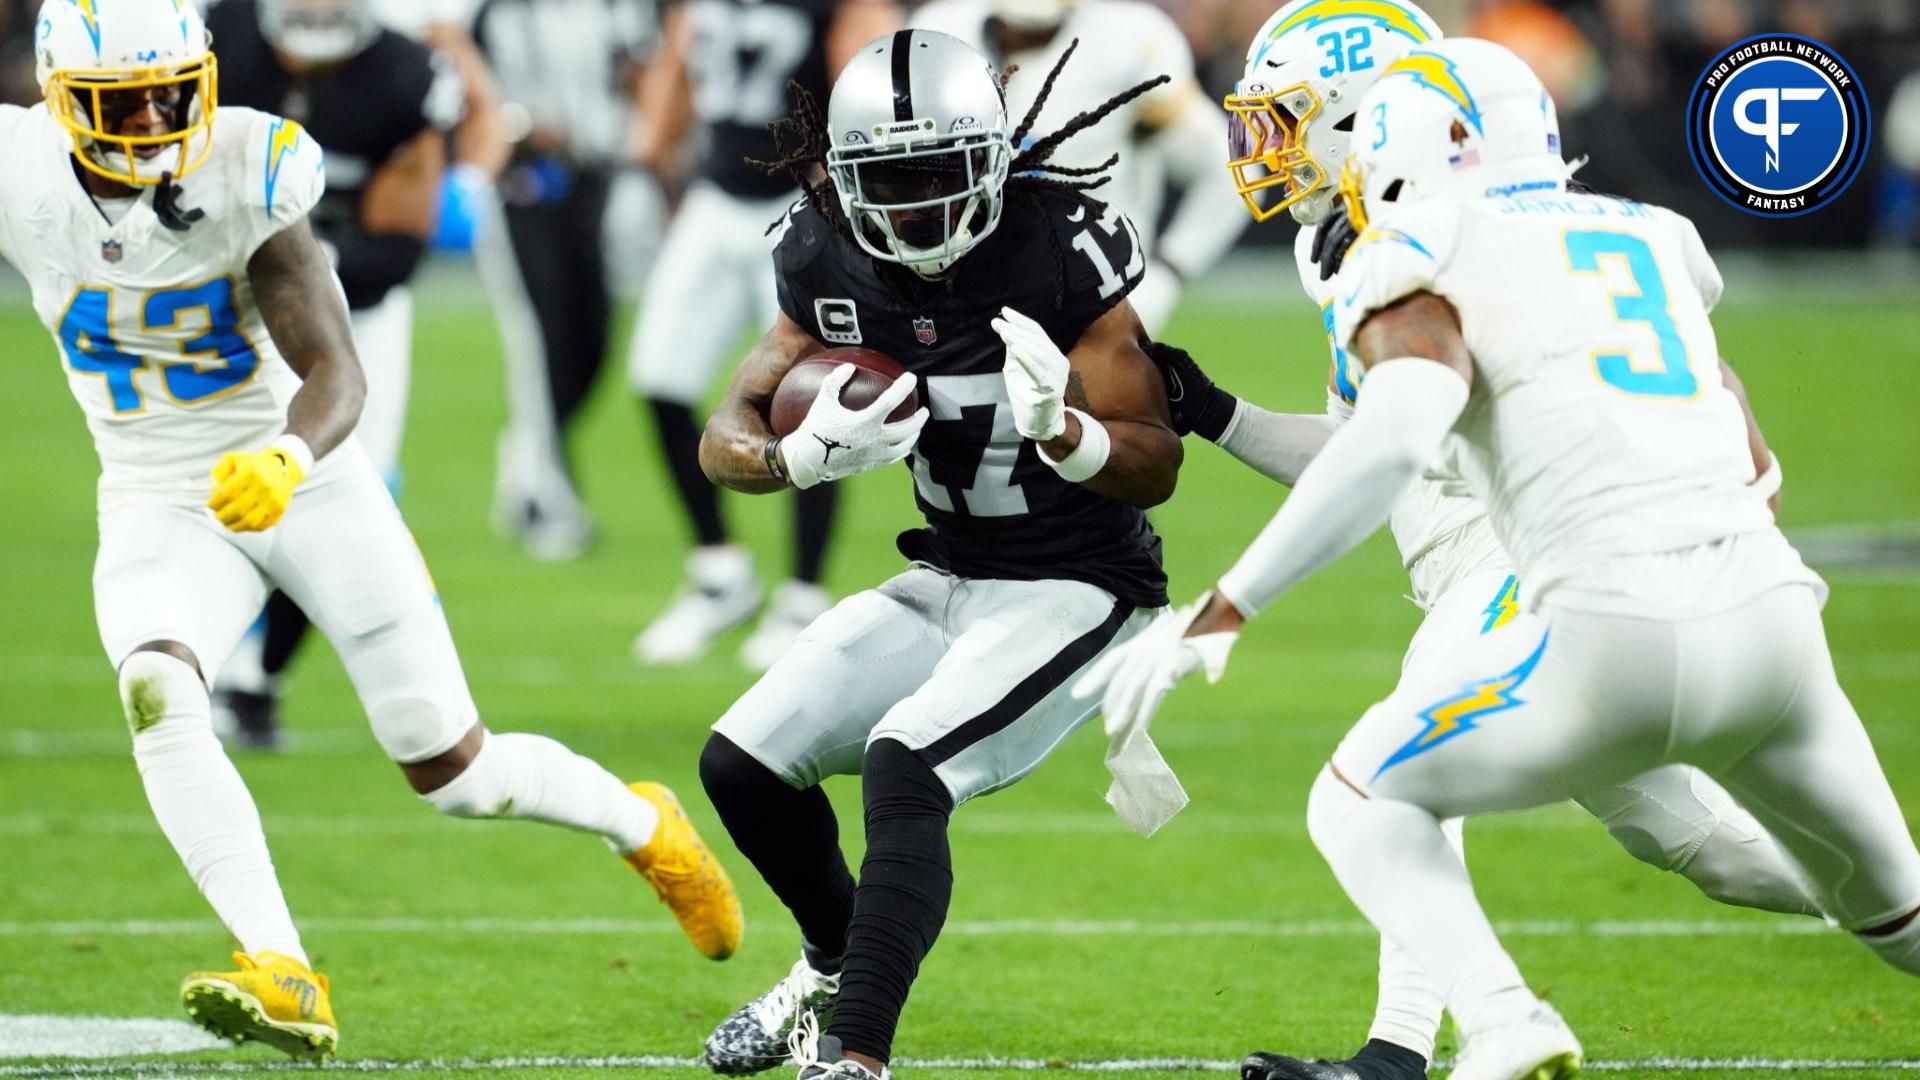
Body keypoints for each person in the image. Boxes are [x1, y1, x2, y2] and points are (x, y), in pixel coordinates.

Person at [1085, 37, 1920, 1080]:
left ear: (1383, 125)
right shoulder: (1650, 232)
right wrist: (1213, 412)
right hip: (1766, 612)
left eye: (1291, 119)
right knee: (1757, 866)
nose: (1268, 150)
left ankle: (1459, 1037)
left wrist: (1228, 606)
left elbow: (1391, 446)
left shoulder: (1419, 244)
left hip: (1567, 590)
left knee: (1370, 790)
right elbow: (1751, 446)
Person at [4, 0, 740, 1058]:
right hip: (157, 497)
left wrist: (288, 456)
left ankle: (643, 826)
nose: (161, 117)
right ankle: (282, 968)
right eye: (128, 100)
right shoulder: (19, 168)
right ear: (59, 99)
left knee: (455, 773)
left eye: (176, 89)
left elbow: (337, 367)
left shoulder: (246, 164)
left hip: (308, 482)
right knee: (159, 689)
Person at [694, 30, 1183, 1080]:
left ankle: (854, 1055)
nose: (912, 205)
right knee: (740, 765)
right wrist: (793, 459)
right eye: (886, 180)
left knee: (904, 760)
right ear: (840, 177)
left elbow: (1155, 462)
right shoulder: (819, 248)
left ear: (993, 161)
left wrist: (1068, 432)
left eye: (936, 174)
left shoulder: (1060, 246)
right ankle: (829, 961)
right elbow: (723, 430)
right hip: (950, 573)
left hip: (1083, 585)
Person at [202, 0, 463, 749]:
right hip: (221, 292)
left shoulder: (404, 76)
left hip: (353, 304)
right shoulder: (220, 43)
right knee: (207, 480)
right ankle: (205, 656)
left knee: (356, 487)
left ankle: (259, 678)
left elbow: (400, 246)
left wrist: (305, 273)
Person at [626, 0, 901, 669]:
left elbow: (871, 82)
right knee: (659, 378)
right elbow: (680, 67)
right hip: (715, 193)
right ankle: (720, 572)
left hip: (798, 201)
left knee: (812, 394)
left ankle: (803, 593)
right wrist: (646, 157)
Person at [910, 0, 1248, 334]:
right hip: (962, 297)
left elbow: (1230, 169)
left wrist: (1170, 270)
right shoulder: (939, 33)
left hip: (1092, 299)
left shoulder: (1129, 42)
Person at [474, 0, 660, 560]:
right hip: (523, 191)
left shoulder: (617, 11)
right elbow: (470, 91)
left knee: (593, 345)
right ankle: (547, 503)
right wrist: (523, 126)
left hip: (595, 183)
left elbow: (640, 73)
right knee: (542, 344)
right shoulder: (498, 15)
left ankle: (525, 457)